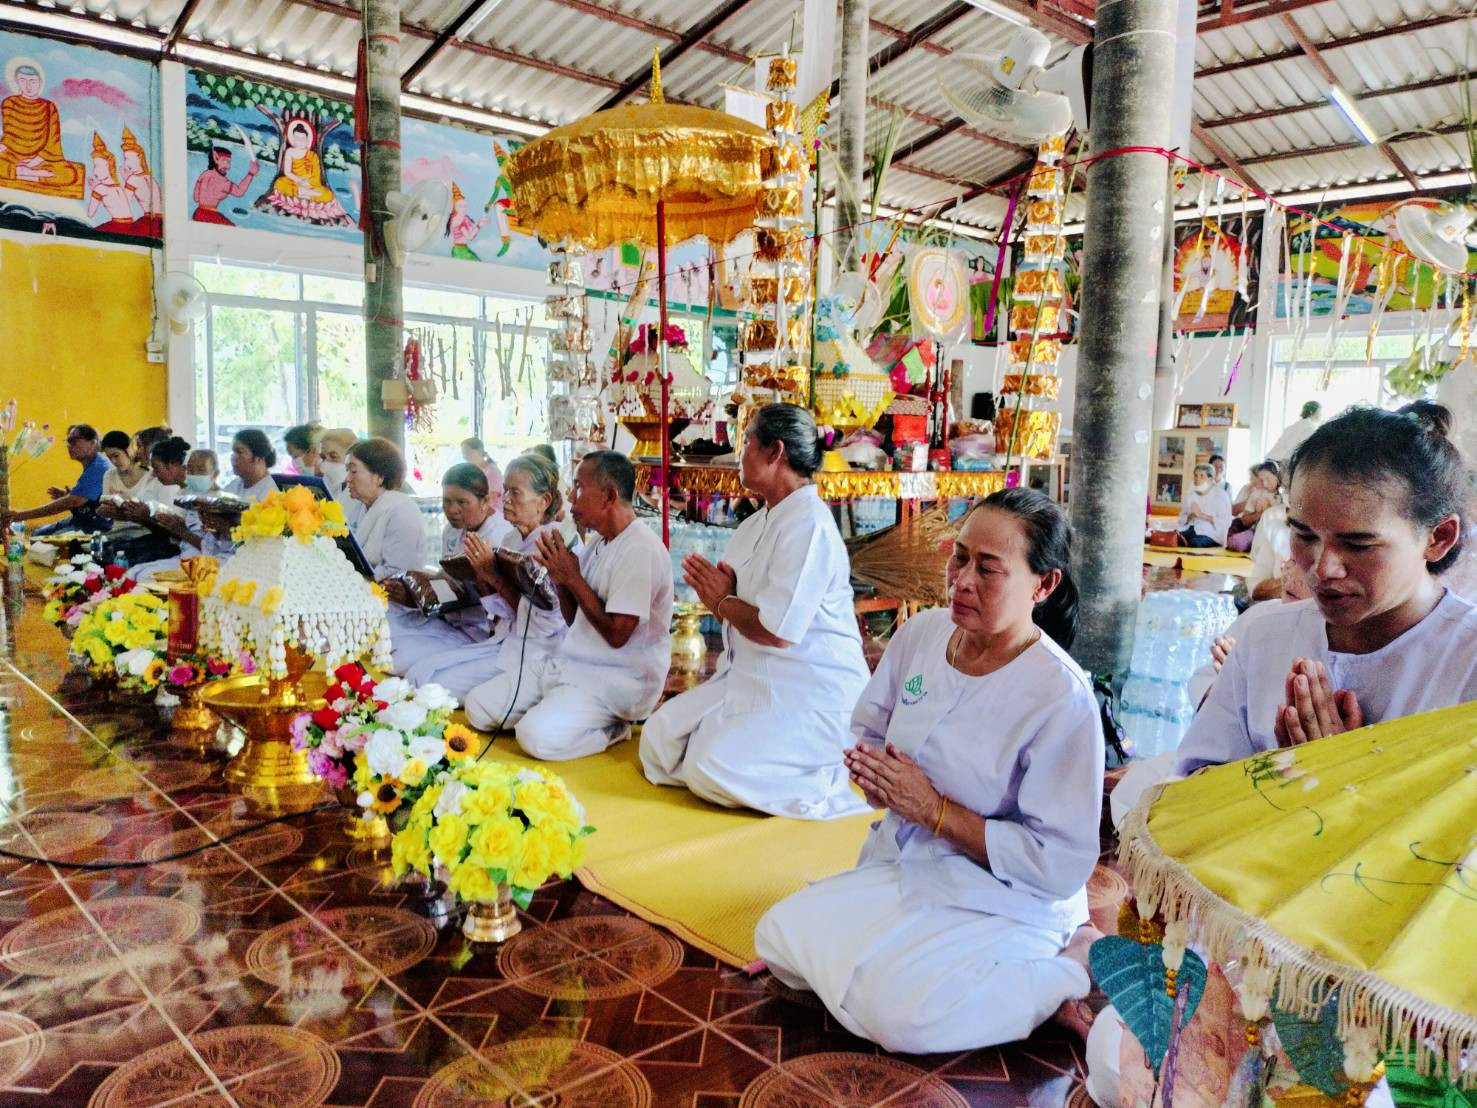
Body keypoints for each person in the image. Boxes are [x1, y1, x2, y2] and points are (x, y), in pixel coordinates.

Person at [754, 488, 1103, 1054]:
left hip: (1006, 894)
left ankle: (1071, 963)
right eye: (959, 558)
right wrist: (873, 777)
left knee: (906, 1017)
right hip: (905, 863)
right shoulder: (922, 634)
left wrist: (934, 811)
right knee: (778, 938)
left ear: (1043, 586)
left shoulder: (1061, 697)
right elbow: (870, 729)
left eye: (987, 569)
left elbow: (1057, 862)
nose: (961, 581)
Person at [1174, 405, 1477, 776]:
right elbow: (1194, 782)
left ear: (1439, 538)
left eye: (1358, 544)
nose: (1322, 568)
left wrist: (1341, 782)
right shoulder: (1265, 637)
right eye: (1304, 535)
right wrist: (1286, 782)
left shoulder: (1467, 661)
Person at [640, 403, 871, 819]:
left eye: (746, 441)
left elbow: (778, 632)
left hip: (808, 691)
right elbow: (735, 607)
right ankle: (748, 748)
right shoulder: (757, 523)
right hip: (750, 677)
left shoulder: (809, 526)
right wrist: (722, 599)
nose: (739, 453)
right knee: (658, 739)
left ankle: (821, 776)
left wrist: (723, 602)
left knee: (708, 766)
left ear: (774, 451)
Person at [465, 451, 672, 761]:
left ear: (609, 496)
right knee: (478, 707)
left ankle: (612, 729)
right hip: (570, 664)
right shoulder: (598, 542)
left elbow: (618, 635)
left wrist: (572, 578)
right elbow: (574, 619)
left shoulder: (640, 548)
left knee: (534, 737)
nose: (571, 497)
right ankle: (562, 711)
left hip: (617, 680)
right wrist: (560, 579)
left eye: (579, 486)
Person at [407, 453, 571, 700]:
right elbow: (501, 612)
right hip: (504, 639)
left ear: (544, 500)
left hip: (539, 651)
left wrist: (492, 575)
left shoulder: (554, 542)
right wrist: (482, 575)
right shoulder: (511, 539)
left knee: (432, 685)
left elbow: (541, 623)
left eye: (515, 493)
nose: (505, 500)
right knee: (420, 672)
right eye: (505, 491)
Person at [386, 463, 516, 690]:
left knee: (411, 668)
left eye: (462, 502)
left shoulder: (501, 536)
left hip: (482, 632)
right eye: (446, 501)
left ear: (485, 501)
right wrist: (414, 593)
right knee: (387, 632)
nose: (452, 510)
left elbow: (503, 604)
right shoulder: (452, 530)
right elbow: (447, 580)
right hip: (449, 620)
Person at [5, 424, 110, 535]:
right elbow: (81, 499)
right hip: (84, 519)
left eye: (73, 441)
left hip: (97, 525)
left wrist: (21, 515)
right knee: (38, 535)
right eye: (67, 441)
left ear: (92, 443)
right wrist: (67, 495)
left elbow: (73, 501)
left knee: (44, 541)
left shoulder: (99, 467)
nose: (68, 446)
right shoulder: (95, 464)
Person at [0, 60, 85, 198]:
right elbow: (9, 136)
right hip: (13, 155)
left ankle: (23, 174)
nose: (28, 86)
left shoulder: (49, 107)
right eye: (22, 80)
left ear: (40, 82)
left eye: (32, 81)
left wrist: (35, 162)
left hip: (41, 158)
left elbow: (53, 141)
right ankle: (31, 175)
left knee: (69, 174)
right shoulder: (9, 103)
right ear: (17, 82)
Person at [346, 437, 426, 580]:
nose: (347, 478)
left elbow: (397, 572)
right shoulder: (359, 508)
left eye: (353, 471)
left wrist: (350, 577)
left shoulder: (402, 510)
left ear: (379, 477)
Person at [192, 145, 258, 225]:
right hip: (210, 216)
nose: (228, 166)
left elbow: (196, 198)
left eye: (229, 162)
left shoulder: (204, 175)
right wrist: (251, 174)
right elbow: (239, 192)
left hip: (198, 213)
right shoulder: (223, 181)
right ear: (216, 158)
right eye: (225, 161)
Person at [1225, 460, 1281, 552]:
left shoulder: (1284, 496)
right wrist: (1260, 513)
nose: (1265, 483)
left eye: (1268, 479)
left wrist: (1269, 510)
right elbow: (1245, 520)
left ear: (1277, 477)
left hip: (1275, 534)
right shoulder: (1256, 494)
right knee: (1235, 541)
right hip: (1256, 530)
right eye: (1262, 480)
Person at [1176, 463, 1231, 547]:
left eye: (1202, 476)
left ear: (1210, 479)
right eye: (1196, 475)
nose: (1197, 479)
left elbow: (1226, 522)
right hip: (1191, 528)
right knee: (1174, 537)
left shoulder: (1220, 495)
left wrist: (1201, 515)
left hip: (1210, 533)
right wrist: (1189, 517)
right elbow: (1181, 518)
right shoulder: (1190, 495)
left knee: (1194, 542)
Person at [1266, 399, 1322, 464]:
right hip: (1282, 463)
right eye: (1319, 412)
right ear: (1312, 412)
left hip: (1270, 460)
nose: (1321, 415)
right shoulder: (1310, 428)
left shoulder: (1293, 426)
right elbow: (1303, 451)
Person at [460, 436, 504, 512]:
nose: (465, 456)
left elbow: (490, 500)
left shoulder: (492, 471)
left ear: (479, 451)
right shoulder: (473, 471)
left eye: (468, 452)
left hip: (492, 515)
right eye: (463, 453)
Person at [100, 430, 147, 497]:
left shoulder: (150, 474)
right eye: (109, 458)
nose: (113, 461)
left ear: (128, 450)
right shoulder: (109, 476)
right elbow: (105, 501)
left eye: (116, 455)